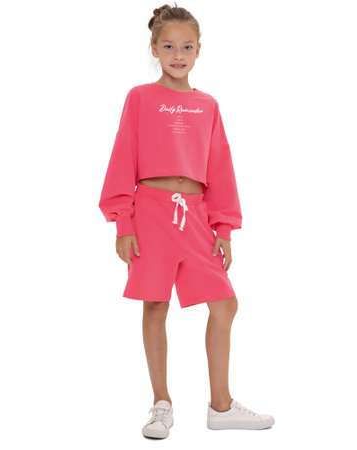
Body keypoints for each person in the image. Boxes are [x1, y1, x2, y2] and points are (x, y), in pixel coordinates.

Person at [98, 3, 275, 439]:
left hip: (195, 216)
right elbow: (123, 155)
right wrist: (124, 224)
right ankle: (161, 404)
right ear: (154, 49)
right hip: (151, 213)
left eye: (187, 47)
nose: (178, 55)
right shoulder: (140, 98)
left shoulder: (207, 105)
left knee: (225, 303)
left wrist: (223, 228)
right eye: (169, 46)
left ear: (199, 50)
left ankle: (221, 406)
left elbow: (220, 166)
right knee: (156, 304)